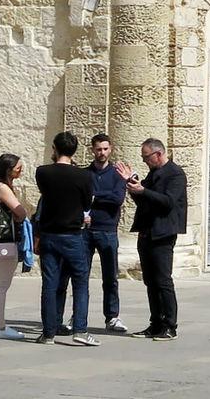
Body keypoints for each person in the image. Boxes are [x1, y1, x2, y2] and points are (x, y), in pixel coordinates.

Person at [119, 137, 187, 340]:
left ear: (158, 154)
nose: (145, 161)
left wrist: (144, 190)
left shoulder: (175, 174)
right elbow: (143, 199)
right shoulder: (154, 173)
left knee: (163, 280)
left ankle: (170, 325)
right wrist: (132, 185)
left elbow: (167, 202)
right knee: (150, 280)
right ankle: (155, 322)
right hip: (147, 231)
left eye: (146, 157)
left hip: (163, 233)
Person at [35, 131, 97, 347]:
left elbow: (45, 194)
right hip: (73, 235)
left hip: (50, 235)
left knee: (50, 284)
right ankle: (80, 328)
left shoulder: (43, 173)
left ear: (55, 148)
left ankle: (48, 332)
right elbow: (86, 202)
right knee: (80, 282)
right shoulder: (84, 176)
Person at [86, 133, 131, 334]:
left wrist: (95, 196)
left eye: (105, 149)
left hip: (108, 230)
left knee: (110, 277)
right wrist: (96, 197)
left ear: (110, 149)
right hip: (86, 231)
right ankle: (78, 316)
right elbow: (83, 198)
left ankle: (112, 316)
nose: (101, 152)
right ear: (92, 150)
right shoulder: (85, 174)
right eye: (98, 149)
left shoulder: (117, 174)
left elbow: (117, 198)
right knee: (80, 276)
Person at [0, 152, 30, 340]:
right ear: (8, 169)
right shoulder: (2, 187)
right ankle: (0, 327)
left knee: (3, 283)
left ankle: (0, 325)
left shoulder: (1, 186)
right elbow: (20, 211)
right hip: (5, 240)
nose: (21, 170)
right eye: (17, 168)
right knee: (2, 284)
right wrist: (23, 216)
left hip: (4, 240)